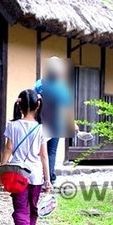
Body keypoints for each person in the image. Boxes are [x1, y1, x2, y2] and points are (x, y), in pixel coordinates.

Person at [1, 88, 51, 225]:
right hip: (36, 175)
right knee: (33, 208)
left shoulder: (12, 125)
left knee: (21, 208)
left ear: (19, 105)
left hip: (17, 174)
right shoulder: (41, 129)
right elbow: (43, 155)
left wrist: (2, 170)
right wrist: (48, 180)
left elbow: (8, 149)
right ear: (38, 105)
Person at [34, 57, 74, 185]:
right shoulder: (62, 88)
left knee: (39, 151)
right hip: (56, 123)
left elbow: (33, 99)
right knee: (51, 152)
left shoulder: (39, 84)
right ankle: (50, 177)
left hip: (40, 122)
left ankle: (39, 176)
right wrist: (72, 123)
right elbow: (68, 108)